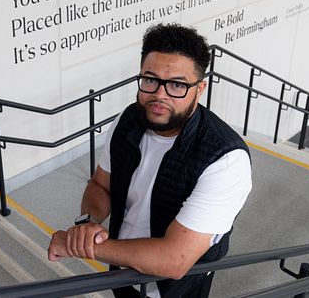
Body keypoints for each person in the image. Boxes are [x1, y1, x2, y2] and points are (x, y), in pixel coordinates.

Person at [48, 23, 252, 298]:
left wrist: (78, 245)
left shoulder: (225, 159)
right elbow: (100, 185)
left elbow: (174, 259)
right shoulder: (127, 121)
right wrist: (87, 222)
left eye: (177, 85)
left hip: (176, 289)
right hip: (123, 272)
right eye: (150, 79)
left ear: (200, 89)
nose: (159, 94)